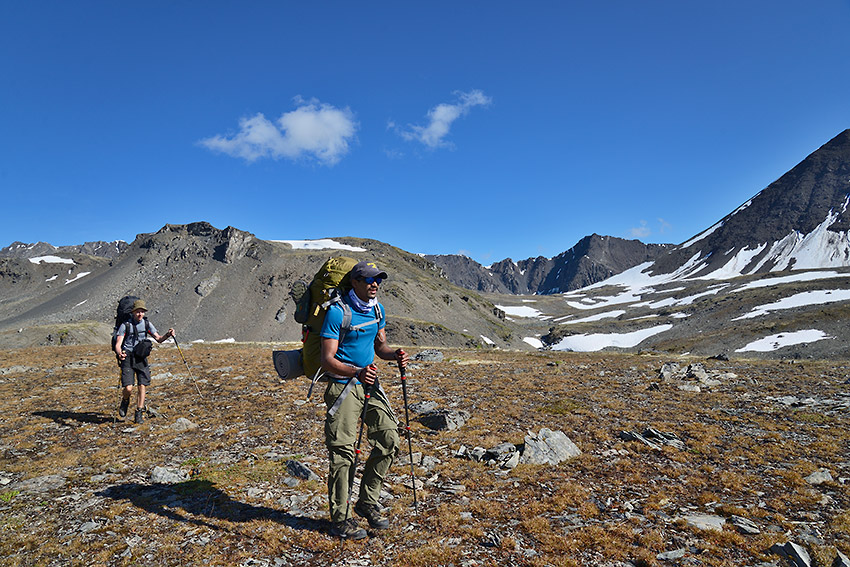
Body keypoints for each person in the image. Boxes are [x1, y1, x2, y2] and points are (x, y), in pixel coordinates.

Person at [320, 260, 408, 539]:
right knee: (343, 453)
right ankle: (340, 519)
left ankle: (366, 501)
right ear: (354, 283)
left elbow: (379, 346)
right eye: (369, 280)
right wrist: (357, 371)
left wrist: (394, 354)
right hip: (343, 387)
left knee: (389, 439)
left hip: (370, 384)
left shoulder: (378, 309)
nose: (375, 285)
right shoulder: (337, 313)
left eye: (378, 280)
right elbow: (327, 359)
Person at [113, 299, 174, 424]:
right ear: (133, 312)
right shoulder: (125, 325)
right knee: (128, 388)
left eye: (142, 312)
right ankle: (125, 401)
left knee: (142, 385)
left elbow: (158, 338)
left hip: (141, 356)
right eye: (137, 312)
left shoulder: (147, 324)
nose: (140, 314)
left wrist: (168, 335)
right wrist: (120, 353)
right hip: (128, 356)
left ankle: (139, 412)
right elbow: (118, 343)